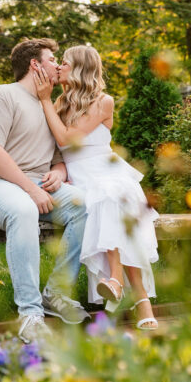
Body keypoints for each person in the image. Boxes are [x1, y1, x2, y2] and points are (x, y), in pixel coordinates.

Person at [0, 38, 91, 344]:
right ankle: (30, 314)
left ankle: (56, 294)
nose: (59, 65)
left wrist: (58, 175)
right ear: (35, 65)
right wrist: (30, 190)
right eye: (52, 59)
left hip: (35, 184)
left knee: (82, 204)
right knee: (23, 209)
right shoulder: (2, 95)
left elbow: (60, 158)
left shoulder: (51, 106)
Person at [34, 45, 160, 330]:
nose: (59, 68)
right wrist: (59, 168)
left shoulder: (104, 101)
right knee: (106, 202)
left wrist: (44, 101)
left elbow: (67, 139)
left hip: (105, 170)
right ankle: (138, 299)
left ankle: (117, 280)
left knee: (111, 197)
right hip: (79, 177)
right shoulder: (60, 104)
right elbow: (58, 149)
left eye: (64, 63)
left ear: (79, 69)